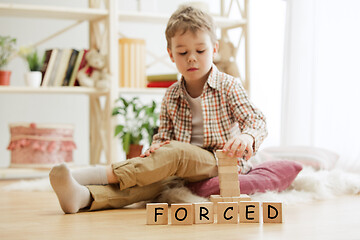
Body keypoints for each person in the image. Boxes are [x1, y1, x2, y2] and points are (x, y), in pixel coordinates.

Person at [49, 5, 267, 214]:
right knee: (148, 183)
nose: (192, 58)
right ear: (171, 55)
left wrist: (247, 136)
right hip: (181, 168)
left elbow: (256, 121)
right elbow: (163, 137)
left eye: (200, 50)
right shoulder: (172, 94)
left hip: (218, 161)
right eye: (182, 53)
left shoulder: (229, 85)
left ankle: (86, 175)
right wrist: (155, 150)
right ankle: (84, 197)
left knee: (176, 152)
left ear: (214, 49)